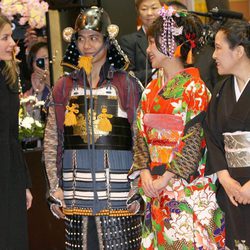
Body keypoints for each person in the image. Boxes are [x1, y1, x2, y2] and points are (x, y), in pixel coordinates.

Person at [43, 6, 142, 249]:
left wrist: (138, 189)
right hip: (77, 195)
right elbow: (52, 141)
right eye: (81, 38)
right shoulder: (64, 87)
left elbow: (141, 138)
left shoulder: (127, 84)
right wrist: (54, 189)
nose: (87, 45)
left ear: (107, 41)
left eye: (94, 38)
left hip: (120, 197)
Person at [128, 5, 225, 249]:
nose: (148, 49)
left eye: (153, 43)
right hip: (155, 187)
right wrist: (146, 174)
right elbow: (140, 135)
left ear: (171, 44)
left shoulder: (196, 90)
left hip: (184, 188)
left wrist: (165, 179)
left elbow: (194, 141)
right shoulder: (150, 89)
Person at [204, 18, 250, 249]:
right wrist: (224, 178)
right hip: (231, 188)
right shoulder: (221, 90)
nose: (213, 55)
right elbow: (212, 136)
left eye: (219, 47)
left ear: (239, 51)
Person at [0, 13, 32, 249]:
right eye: (5, 37)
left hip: (9, 175)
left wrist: (24, 183)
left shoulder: (8, 76)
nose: (13, 44)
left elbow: (13, 136)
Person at [119, 0, 163, 86]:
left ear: (163, 9)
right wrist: (155, 72)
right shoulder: (128, 41)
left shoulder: (173, 37)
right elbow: (127, 76)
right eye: (144, 9)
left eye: (154, 8)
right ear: (138, 12)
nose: (149, 13)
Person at [23, 41, 50, 121]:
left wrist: (50, 83)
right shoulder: (28, 96)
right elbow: (31, 122)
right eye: (39, 61)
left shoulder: (67, 83)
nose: (44, 64)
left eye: (46, 58)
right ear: (32, 65)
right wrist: (37, 91)